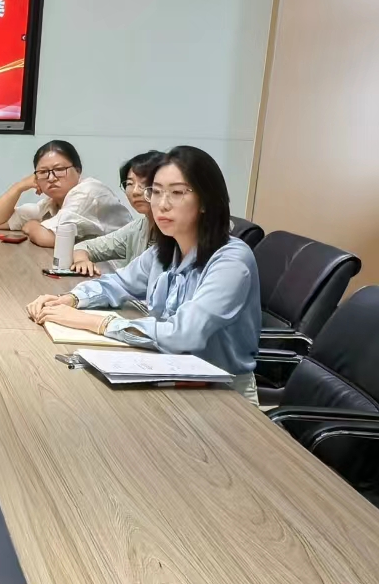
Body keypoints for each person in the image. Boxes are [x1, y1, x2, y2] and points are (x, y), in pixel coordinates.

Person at [26, 146, 261, 403]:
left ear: (205, 200)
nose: (162, 204)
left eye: (177, 193)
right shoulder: (166, 249)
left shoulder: (231, 260)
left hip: (223, 393)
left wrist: (95, 323)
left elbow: (183, 335)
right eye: (156, 192)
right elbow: (118, 283)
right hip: (168, 372)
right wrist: (70, 299)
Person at [0, 139, 133, 247]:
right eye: (43, 172)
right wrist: (19, 187)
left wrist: (31, 225)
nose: (51, 178)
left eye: (59, 169)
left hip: (121, 274)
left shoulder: (88, 193)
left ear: (78, 170)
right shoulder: (51, 203)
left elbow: (51, 239)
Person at [70, 150, 165, 276]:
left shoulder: (178, 234)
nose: (135, 191)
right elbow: (85, 247)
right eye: (130, 184)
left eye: (145, 183)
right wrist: (82, 261)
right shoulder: (137, 228)